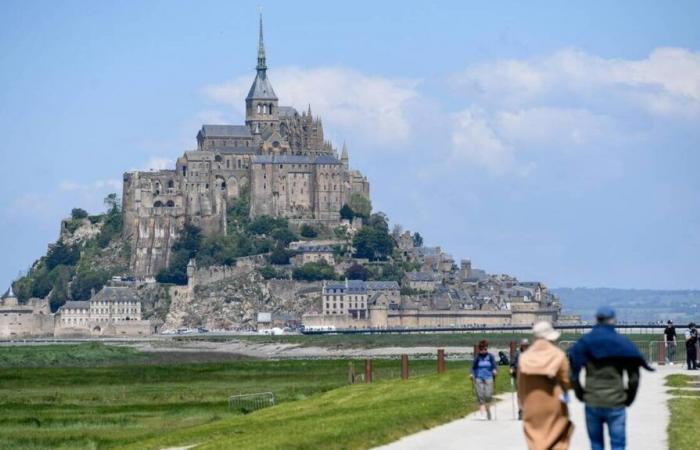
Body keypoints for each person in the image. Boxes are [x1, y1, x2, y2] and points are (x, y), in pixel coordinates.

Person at [569, 306, 653, 450]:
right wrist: (629, 398)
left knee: (596, 445)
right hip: (616, 400)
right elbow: (634, 377)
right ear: (613, 320)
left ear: (596, 320)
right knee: (618, 445)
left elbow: (574, 373)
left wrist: (580, 394)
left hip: (592, 399)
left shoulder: (585, 343)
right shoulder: (623, 343)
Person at [517, 322, 572, 450]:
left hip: (532, 405)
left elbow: (521, 386)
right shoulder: (558, 355)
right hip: (553, 404)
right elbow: (567, 381)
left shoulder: (524, 358)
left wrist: (522, 402)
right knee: (556, 440)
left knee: (536, 442)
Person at [471, 339, 498, 420]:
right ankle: (482, 414)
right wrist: (472, 374)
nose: (484, 350)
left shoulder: (490, 357)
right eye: (482, 349)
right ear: (480, 349)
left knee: (488, 395)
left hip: (489, 377)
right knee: (480, 396)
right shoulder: (477, 357)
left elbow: (494, 366)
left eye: (485, 349)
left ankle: (488, 409)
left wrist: (495, 370)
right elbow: (473, 367)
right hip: (479, 378)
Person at [510, 338, 530, 420]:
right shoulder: (517, 354)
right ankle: (521, 411)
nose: (525, 347)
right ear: (521, 346)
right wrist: (511, 369)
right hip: (518, 375)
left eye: (526, 345)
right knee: (519, 394)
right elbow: (512, 363)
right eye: (524, 345)